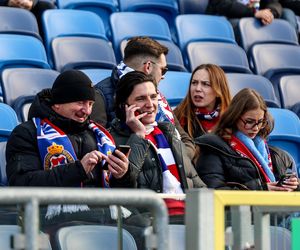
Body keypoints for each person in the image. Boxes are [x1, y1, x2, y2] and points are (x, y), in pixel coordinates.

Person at [5, 70, 133, 246]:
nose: (86, 111)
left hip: (107, 216)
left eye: (90, 103)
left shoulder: (99, 135)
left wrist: (123, 175)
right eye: (80, 102)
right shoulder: (28, 133)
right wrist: (78, 169)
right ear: (58, 103)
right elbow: (22, 183)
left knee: (153, 229)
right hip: (54, 220)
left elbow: (125, 193)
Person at [108, 71, 206, 222]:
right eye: (141, 99)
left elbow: (193, 179)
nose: (150, 104)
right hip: (153, 221)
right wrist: (139, 135)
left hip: (190, 215)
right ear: (124, 106)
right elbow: (124, 189)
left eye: (153, 97)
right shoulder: (111, 139)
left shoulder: (168, 131)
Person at [94, 36, 196, 159]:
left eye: (152, 97)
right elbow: (102, 146)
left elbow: (185, 139)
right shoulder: (100, 95)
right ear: (148, 67)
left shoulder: (157, 97)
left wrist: (178, 160)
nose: (163, 76)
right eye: (163, 70)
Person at [195, 88, 299, 191]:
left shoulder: (277, 155)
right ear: (234, 117)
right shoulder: (213, 148)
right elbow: (214, 191)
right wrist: (260, 189)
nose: (256, 128)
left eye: (260, 122)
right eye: (249, 121)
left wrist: (295, 185)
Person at [174, 64, 231, 139]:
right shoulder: (178, 116)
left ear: (218, 91)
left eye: (205, 84)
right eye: (194, 83)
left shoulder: (230, 119)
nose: (197, 89)